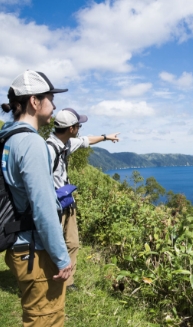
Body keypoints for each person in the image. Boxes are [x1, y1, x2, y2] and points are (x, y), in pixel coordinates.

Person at [0, 70, 72, 327]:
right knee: (46, 320)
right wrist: (62, 258)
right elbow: (43, 209)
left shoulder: (8, 138)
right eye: (50, 98)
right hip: (35, 252)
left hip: (18, 245)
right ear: (34, 101)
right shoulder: (31, 143)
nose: (54, 105)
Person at [46, 108, 119, 289]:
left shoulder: (67, 144)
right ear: (71, 128)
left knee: (72, 242)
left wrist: (106, 137)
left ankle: (68, 281)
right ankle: (48, 278)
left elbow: (87, 140)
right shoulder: (48, 150)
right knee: (51, 243)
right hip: (52, 205)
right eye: (79, 125)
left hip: (66, 201)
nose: (80, 128)